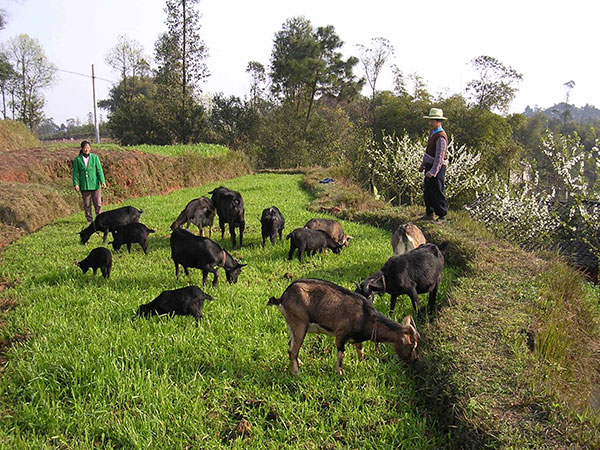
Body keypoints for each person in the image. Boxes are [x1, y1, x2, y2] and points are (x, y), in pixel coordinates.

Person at [419, 108, 449, 222]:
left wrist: (433, 172)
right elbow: (428, 152)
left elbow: (439, 157)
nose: (430, 123)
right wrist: (423, 165)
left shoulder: (441, 136)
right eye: (430, 120)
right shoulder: (433, 134)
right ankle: (429, 213)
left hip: (438, 167)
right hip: (429, 165)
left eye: (432, 121)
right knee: (428, 190)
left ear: (438, 121)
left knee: (437, 190)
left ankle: (442, 215)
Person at [72, 140, 106, 223]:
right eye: (84, 148)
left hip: (95, 184)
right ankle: (89, 219)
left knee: (98, 203)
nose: (86, 150)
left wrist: (102, 181)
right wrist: (75, 184)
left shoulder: (95, 157)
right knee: (87, 204)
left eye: (88, 148)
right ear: (82, 149)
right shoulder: (78, 159)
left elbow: (99, 170)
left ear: (90, 148)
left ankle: (99, 219)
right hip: (84, 185)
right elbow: (75, 173)